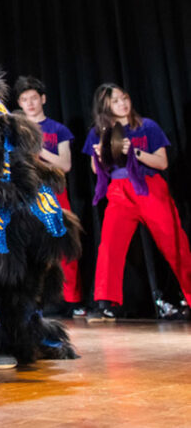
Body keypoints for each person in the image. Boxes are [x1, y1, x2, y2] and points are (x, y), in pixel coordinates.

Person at [82, 83, 191, 321]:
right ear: (105, 106)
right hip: (119, 191)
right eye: (116, 101)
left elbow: (162, 162)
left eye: (124, 98)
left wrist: (135, 152)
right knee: (109, 245)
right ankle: (106, 304)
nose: (123, 104)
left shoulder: (146, 126)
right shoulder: (98, 132)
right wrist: (102, 156)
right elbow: (96, 169)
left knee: (174, 243)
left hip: (148, 187)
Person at [15, 76, 84, 317]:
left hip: (53, 193)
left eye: (34, 98)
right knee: (29, 248)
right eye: (24, 99)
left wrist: (39, 147)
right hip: (26, 194)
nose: (30, 103)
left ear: (42, 99)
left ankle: (71, 300)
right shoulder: (16, 129)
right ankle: (33, 299)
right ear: (19, 103)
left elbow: (65, 165)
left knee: (63, 245)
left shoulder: (57, 130)